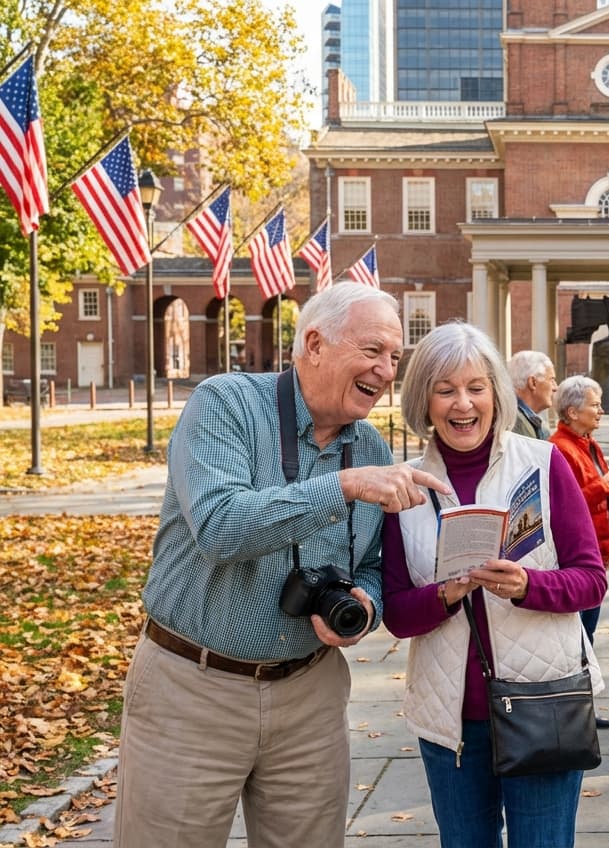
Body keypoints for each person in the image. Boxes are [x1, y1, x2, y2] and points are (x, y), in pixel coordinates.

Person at [115, 284, 450, 848]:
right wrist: (341, 487)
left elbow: (371, 563)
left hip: (310, 695)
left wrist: (365, 602)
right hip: (192, 689)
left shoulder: (368, 446)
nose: (387, 370)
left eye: (395, 356)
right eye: (373, 351)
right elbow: (222, 527)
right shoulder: (226, 404)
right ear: (314, 344)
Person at [381, 322, 607, 848]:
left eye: (476, 387)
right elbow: (395, 611)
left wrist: (528, 584)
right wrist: (444, 594)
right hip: (450, 722)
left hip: (543, 706)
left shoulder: (544, 463)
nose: (463, 404)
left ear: (496, 393)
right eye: (446, 389)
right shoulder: (406, 487)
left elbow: (591, 580)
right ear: (425, 400)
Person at [549, 374, 609, 727]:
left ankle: (581, 708)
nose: (601, 410)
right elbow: (566, 502)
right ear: (573, 411)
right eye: (594, 404)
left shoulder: (587, 442)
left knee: (585, 636)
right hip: (578, 555)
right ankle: (575, 711)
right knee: (578, 636)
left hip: (595, 550)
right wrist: (600, 486)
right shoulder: (561, 447)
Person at [507, 350, 556, 439]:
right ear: (533, 382)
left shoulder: (523, 419)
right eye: (551, 380)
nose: (555, 387)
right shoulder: (514, 424)